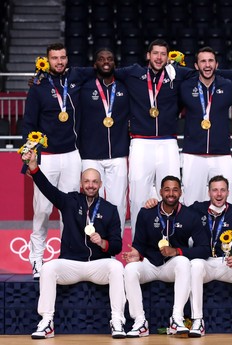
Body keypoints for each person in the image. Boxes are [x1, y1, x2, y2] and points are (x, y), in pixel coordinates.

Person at [23, 150, 126, 339]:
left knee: (117, 267)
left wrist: (103, 243)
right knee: (47, 269)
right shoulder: (70, 201)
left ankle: (117, 320)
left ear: (100, 185)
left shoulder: (110, 210)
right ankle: (47, 321)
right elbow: (48, 188)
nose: (90, 185)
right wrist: (33, 168)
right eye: (87, 181)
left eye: (95, 182)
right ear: (81, 183)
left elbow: (117, 246)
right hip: (71, 264)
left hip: (97, 265)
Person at [114, 39, 193, 238]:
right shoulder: (133, 73)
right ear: (148, 55)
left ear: (168, 57)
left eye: (163, 54)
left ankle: (171, 244)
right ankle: (137, 247)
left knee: (170, 193)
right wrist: (42, 77)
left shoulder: (177, 75)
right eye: (155, 53)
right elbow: (103, 70)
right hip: (141, 142)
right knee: (138, 196)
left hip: (168, 143)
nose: (159, 58)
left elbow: (206, 72)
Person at [22, 42, 83, 278]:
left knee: (69, 210)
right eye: (54, 58)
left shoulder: (76, 80)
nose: (59, 62)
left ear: (68, 59)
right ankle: (37, 259)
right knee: (43, 210)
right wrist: (28, 160)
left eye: (63, 57)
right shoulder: (38, 87)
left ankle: (67, 256)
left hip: (71, 155)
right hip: (46, 157)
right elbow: (29, 124)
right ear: (47, 60)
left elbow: (103, 69)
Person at [122, 175, 210, 338]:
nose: (171, 193)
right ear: (160, 192)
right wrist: (137, 253)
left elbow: (204, 249)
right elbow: (139, 243)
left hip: (171, 266)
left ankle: (177, 318)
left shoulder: (190, 215)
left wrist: (177, 251)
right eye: (167, 190)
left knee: (183, 262)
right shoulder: (146, 213)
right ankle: (140, 322)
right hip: (149, 264)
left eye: (175, 190)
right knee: (130, 269)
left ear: (181, 192)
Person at [187, 175, 232, 337]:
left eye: (222, 190)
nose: (218, 194)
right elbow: (175, 210)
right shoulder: (197, 209)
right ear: (209, 192)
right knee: (194, 265)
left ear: (228, 192)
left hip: (227, 265)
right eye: (215, 190)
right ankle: (197, 320)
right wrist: (154, 202)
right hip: (205, 264)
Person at [78, 48, 130, 235]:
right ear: (95, 64)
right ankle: (89, 246)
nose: (106, 62)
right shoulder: (84, 87)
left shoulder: (125, 87)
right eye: (101, 59)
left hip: (118, 153)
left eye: (110, 58)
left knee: (118, 202)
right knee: (89, 202)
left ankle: (114, 246)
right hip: (90, 154)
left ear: (115, 64)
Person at [180, 47, 232, 206]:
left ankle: (225, 232)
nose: (207, 65)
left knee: (226, 203)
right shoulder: (185, 87)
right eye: (203, 61)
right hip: (193, 155)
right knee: (191, 203)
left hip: (221, 156)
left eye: (211, 61)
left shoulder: (228, 86)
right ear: (196, 66)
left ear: (217, 65)